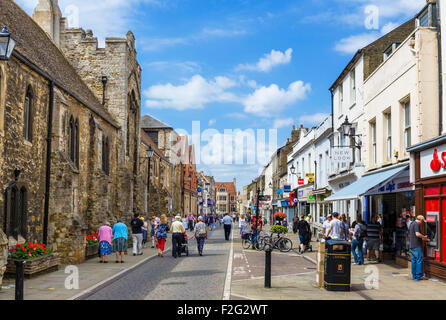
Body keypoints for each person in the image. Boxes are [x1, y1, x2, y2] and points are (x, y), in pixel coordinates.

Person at [409, 216, 430, 281]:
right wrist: (424, 237)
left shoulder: (412, 223)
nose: (422, 223)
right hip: (417, 246)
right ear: (420, 220)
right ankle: (419, 276)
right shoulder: (416, 224)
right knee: (419, 260)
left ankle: (414, 276)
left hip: (412, 245)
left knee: (414, 260)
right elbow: (417, 234)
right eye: (422, 221)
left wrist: (424, 238)